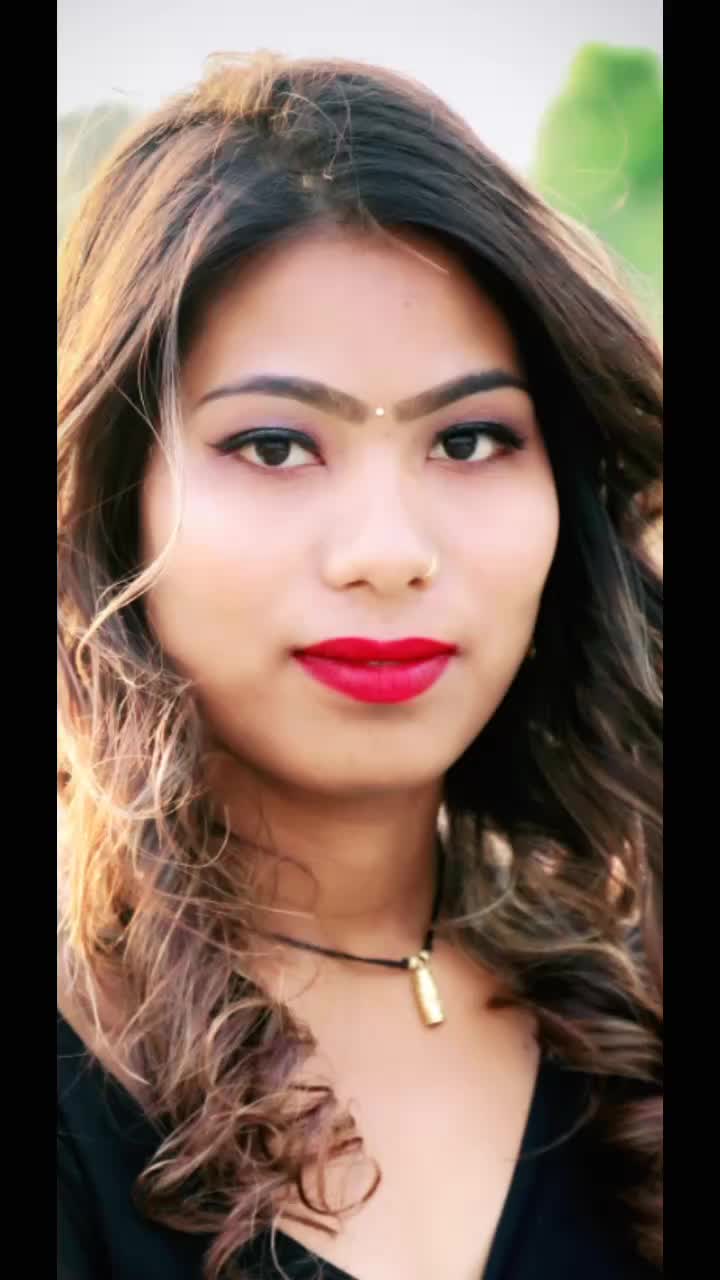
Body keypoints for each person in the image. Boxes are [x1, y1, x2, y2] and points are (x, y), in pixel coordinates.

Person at [57, 52, 662, 1280]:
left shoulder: (632, 1011)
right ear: (117, 499)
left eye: (471, 438)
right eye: (275, 445)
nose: (389, 552)